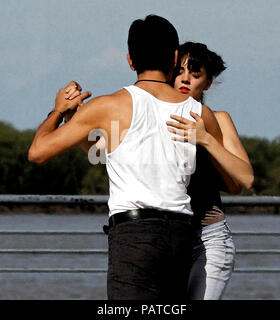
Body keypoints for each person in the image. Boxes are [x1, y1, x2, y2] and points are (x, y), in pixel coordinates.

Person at [28, 15, 229, 300]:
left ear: (130, 61)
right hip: (183, 237)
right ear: (174, 57)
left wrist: (59, 111)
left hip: (135, 235)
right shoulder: (200, 112)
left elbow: (38, 152)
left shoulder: (110, 106)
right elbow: (108, 151)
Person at [168, 42, 254, 299]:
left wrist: (205, 139)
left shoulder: (220, 119)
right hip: (168, 238)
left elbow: (244, 179)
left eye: (195, 75)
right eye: (179, 72)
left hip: (209, 237)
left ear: (207, 83)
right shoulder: (157, 117)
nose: (185, 80)